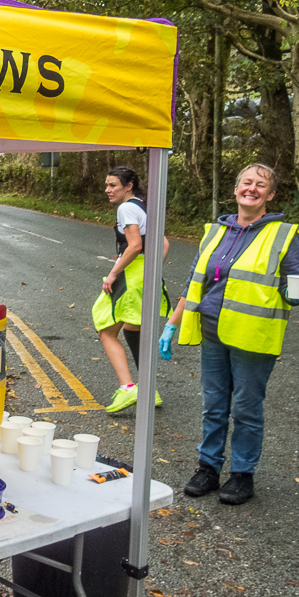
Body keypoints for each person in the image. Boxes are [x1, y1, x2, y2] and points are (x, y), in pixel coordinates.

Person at [160, 164, 299, 506]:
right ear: (236, 189)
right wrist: (172, 322)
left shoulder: (284, 234)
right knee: (213, 405)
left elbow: (295, 285)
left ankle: (242, 475)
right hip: (213, 332)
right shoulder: (215, 231)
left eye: (261, 185)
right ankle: (208, 468)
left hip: (254, 338)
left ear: (270, 195)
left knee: (246, 408)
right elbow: (193, 282)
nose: (252, 188)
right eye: (246, 182)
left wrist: (295, 294)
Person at [92, 166, 170, 413]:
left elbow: (135, 245)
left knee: (105, 329)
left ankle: (128, 388)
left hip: (130, 276)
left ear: (128, 186)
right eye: (107, 185)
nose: (107, 190)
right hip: (146, 275)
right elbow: (164, 243)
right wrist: (151, 269)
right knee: (131, 329)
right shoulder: (145, 206)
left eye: (113, 185)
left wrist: (114, 272)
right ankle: (148, 390)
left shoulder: (126, 208)